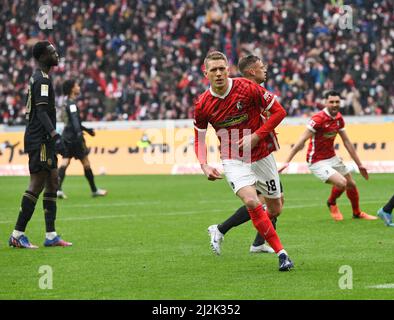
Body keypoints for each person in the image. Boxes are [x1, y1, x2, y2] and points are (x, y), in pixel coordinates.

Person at [194, 51, 294, 271]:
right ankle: (282, 254)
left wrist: (256, 135)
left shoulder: (247, 88)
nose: (219, 73)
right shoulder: (202, 104)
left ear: (228, 69)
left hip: (261, 155)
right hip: (233, 158)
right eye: (214, 70)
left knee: (275, 208)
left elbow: (279, 112)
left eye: (222, 68)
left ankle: (221, 230)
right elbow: (199, 138)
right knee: (251, 202)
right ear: (206, 73)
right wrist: (204, 164)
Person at [207, 55, 284, 255]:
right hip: (248, 155)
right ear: (252, 71)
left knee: (272, 202)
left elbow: (274, 113)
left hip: (262, 153)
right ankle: (222, 229)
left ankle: (257, 242)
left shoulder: (256, 92)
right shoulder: (244, 91)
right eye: (261, 66)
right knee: (262, 202)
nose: (265, 69)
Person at [9, 41, 72, 248]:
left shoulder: (41, 77)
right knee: (37, 184)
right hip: (41, 139)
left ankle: (51, 235)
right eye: (52, 52)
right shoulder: (42, 80)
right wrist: (55, 135)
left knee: (53, 181)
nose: (56, 54)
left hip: (44, 139)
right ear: (43, 56)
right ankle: (17, 234)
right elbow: (42, 112)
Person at [278, 90, 377, 221]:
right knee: (342, 183)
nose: (335, 104)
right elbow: (301, 141)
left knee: (351, 184)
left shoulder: (338, 118)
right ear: (325, 103)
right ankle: (331, 202)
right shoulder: (318, 119)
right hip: (317, 161)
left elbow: (347, 142)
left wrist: (360, 165)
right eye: (331, 102)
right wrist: (287, 161)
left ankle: (357, 213)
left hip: (332, 157)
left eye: (337, 102)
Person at [57, 79, 107, 199]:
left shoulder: (66, 103)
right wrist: (80, 134)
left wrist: (87, 130)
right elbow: (75, 121)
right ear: (72, 89)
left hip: (66, 136)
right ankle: (94, 190)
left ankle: (57, 189)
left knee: (65, 161)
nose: (79, 87)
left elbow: (72, 121)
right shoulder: (72, 105)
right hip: (75, 138)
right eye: (77, 85)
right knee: (86, 163)